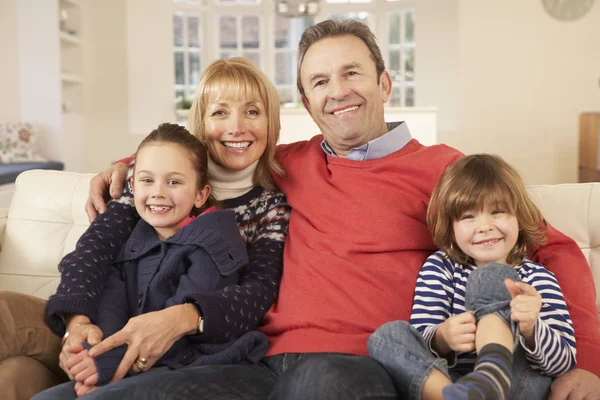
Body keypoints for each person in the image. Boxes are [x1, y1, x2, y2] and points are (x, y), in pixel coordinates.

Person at [81, 20, 600, 399]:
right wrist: (131, 164)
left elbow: (551, 246)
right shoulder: (284, 164)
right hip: (257, 361)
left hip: (364, 362)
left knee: (323, 386)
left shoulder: (446, 171)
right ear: (306, 105)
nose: (338, 92)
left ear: (384, 83)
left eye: (352, 73)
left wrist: (590, 364)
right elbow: (220, 150)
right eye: (320, 82)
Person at [0, 57, 289, 399]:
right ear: (201, 119)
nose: (236, 127)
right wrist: (77, 327)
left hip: (181, 349)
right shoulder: (149, 182)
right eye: (220, 112)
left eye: (252, 112)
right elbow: (93, 254)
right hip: (99, 328)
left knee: (16, 377)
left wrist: (112, 356)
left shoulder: (266, 208)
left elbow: (255, 294)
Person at [33, 123, 273, 399]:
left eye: (174, 182)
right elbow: (111, 303)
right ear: (132, 187)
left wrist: (104, 367)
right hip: (135, 363)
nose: (158, 192)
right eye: (147, 180)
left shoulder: (215, 239)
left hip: (198, 364)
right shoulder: (130, 238)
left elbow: (173, 329)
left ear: (200, 194)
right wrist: (92, 351)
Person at [368, 154, 577, 400]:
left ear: (519, 219)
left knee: (492, 277)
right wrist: (443, 337)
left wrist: (532, 329)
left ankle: (489, 380)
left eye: (497, 212)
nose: (485, 226)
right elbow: (420, 337)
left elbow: (564, 364)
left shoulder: (538, 278)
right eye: (468, 216)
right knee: (387, 336)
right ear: (451, 226)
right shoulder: (441, 267)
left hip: (515, 385)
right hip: (456, 383)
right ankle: (455, 396)